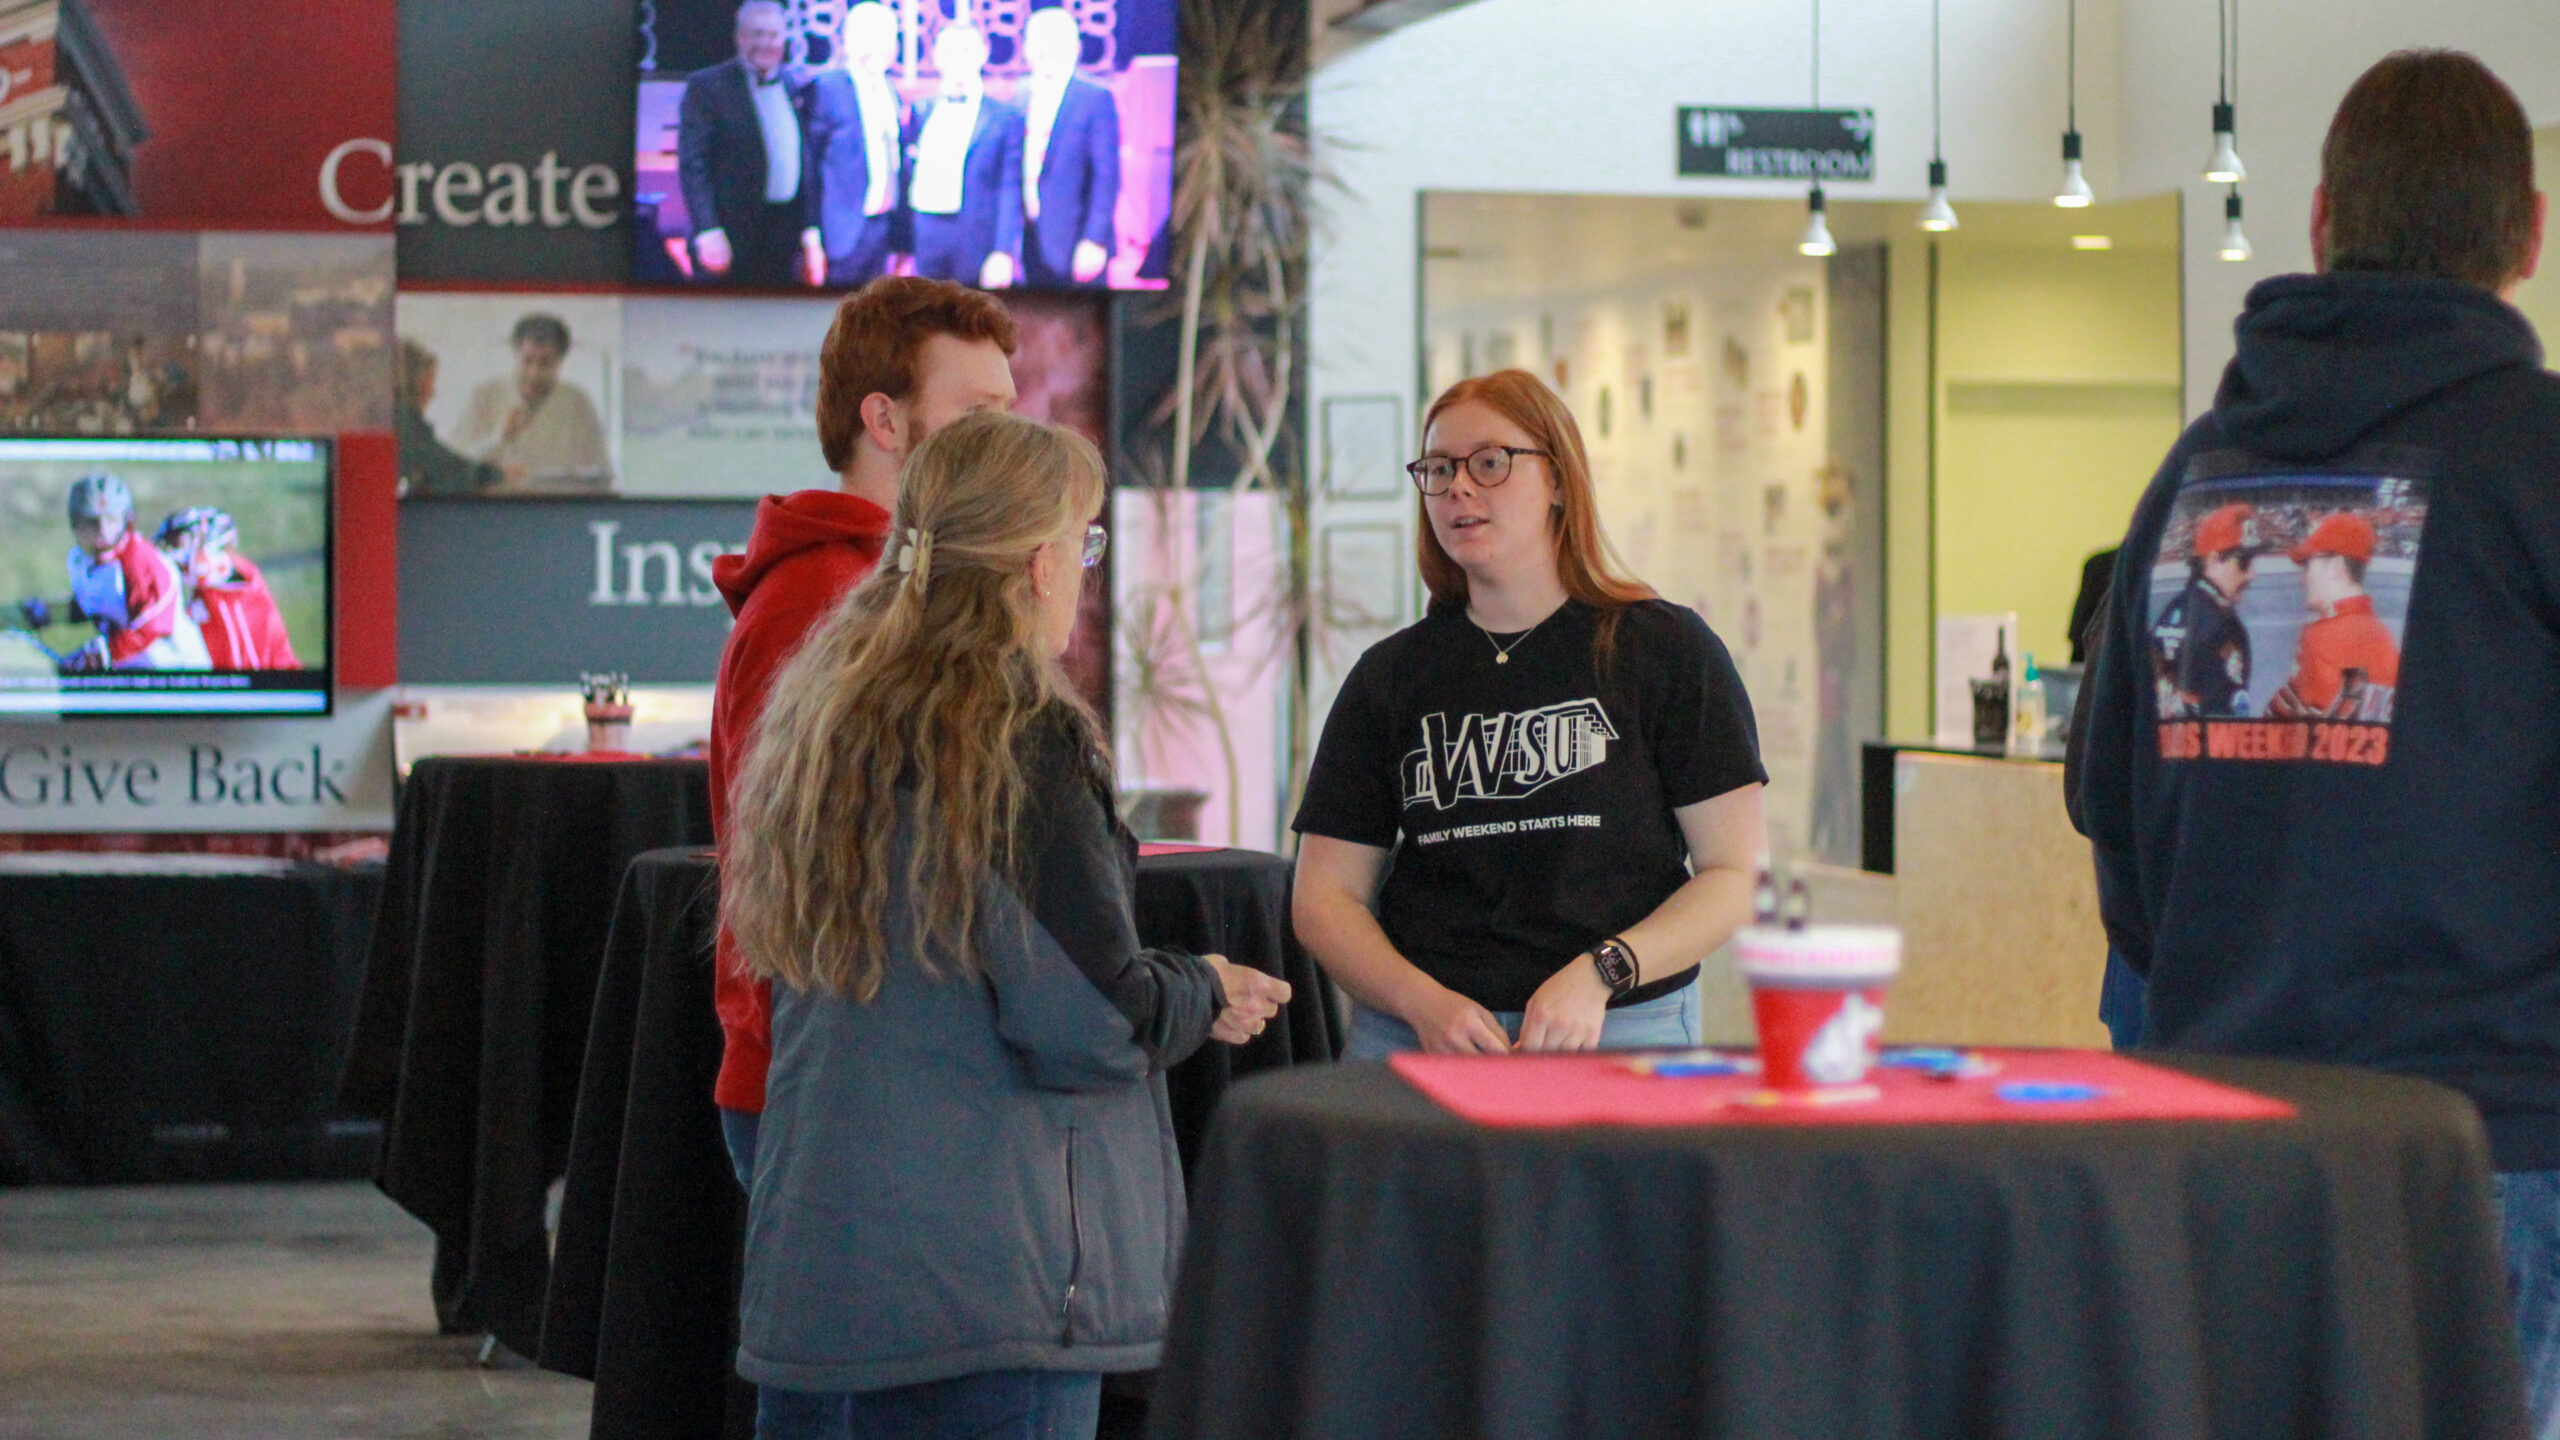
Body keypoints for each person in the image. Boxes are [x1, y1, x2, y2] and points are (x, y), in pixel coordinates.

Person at [2077, 50, 2560, 1432]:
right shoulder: (2541, 461)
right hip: (2494, 1140)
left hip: (2242, 1132)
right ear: (2527, 235)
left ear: (2318, 220)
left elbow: (2113, 815)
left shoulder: (2197, 475)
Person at [720, 410, 1286, 1438]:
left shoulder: (826, 716)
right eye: (1085, 541)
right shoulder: (1016, 738)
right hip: (983, 1288)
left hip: (825, 1272)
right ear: (1036, 564)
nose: (1085, 568)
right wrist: (1200, 987)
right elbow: (1085, 1020)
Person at [1292, 369, 1766, 1055]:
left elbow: (1735, 873)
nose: (1459, 487)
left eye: (1490, 463)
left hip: (1616, 1026)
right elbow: (1323, 899)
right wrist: (1423, 1004)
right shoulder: (1391, 678)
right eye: (1439, 468)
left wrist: (1603, 973)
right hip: (1421, 1034)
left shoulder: (1663, 650)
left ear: (1559, 481)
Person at [709, 276, 1019, 1189]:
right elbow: (814, 868)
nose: (1005, 441)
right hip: (830, 1067)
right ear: (884, 422)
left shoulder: (894, 585)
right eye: (977, 413)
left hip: (873, 1059)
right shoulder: (821, 599)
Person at [678, 0, 821, 287]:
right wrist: (708, 230)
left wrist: (808, 231)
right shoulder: (708, 86)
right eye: (757, 34)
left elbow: (803, 160)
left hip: (782, 236)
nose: (765, 43)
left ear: (784, 40)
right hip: (729, 236)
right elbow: (694, 164)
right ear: (740, 37)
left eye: (773, 35)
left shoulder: (793, 84)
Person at [31, 473, 208, 673]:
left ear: (126, 520)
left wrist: (100, 655)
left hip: (175, 670)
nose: (103, 530)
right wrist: (39, 614)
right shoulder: (79, 559)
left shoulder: (143, 562)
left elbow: (150, 629)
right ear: (76, 523)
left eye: (112, 519)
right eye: (92, 522)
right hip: (128, 670)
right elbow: (95, 604)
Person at [906, 23, 1023, 289]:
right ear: (936, 56)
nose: (957, 58)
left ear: (983, 54)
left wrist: (1004, 251)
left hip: (976, 237)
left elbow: (1010, 187)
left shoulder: (1005, 117)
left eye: (966, 50)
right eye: (949, 51)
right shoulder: (920, 109)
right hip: (927, 234)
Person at [804, 2, 907, 287]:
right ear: (849, 41)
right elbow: (809, 167)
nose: (882, 46)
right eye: (872, 36)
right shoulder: (826, 88)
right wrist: (811, 235)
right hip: (840, 235)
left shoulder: (891, 90)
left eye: (889, 37)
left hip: (883, 228)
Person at [1017, 8, 1119, 290]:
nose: (1047, 50)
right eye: (1039, 42)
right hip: (1029, 237)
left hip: (1078, 243)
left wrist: (1094, 240)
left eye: (1056, 41)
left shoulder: (1095, 97)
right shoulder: (1020, 93)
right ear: (1027, 48)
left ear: (1075, 47)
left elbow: (1106, 178)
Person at [2266, 512, 2401, 721]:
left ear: (2336, 567)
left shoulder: (2321, 638)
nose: (2303, 578)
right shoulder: (2382, 636)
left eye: (2307, 565)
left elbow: (2289, 733)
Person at [455, 315, 613, 492]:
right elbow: (456, 469)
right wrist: (500, 439)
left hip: (555, 512)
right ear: (515, 354)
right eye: (527, 360)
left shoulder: (578, 403)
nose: (534, 372)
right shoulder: (484, 396)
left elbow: (602, 476)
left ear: (560, 361)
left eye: (545, 363)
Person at [2147, 501, 2259, 718]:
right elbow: (2225, 720)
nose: (2252, 575)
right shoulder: (2222, 626)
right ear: (2214, 561)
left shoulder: (2173, 611)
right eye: (2244, 563)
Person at [154, 508, 298, 671]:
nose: (171, 553)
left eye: (178, 544)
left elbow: (200, 566)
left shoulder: (237, 581)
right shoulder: (206, 592)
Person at [394, 340, 506, 497]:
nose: (433, 393)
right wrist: (497, 475)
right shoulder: (403, 423)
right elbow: (445, 470)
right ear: (417, 383)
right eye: (430, 381)